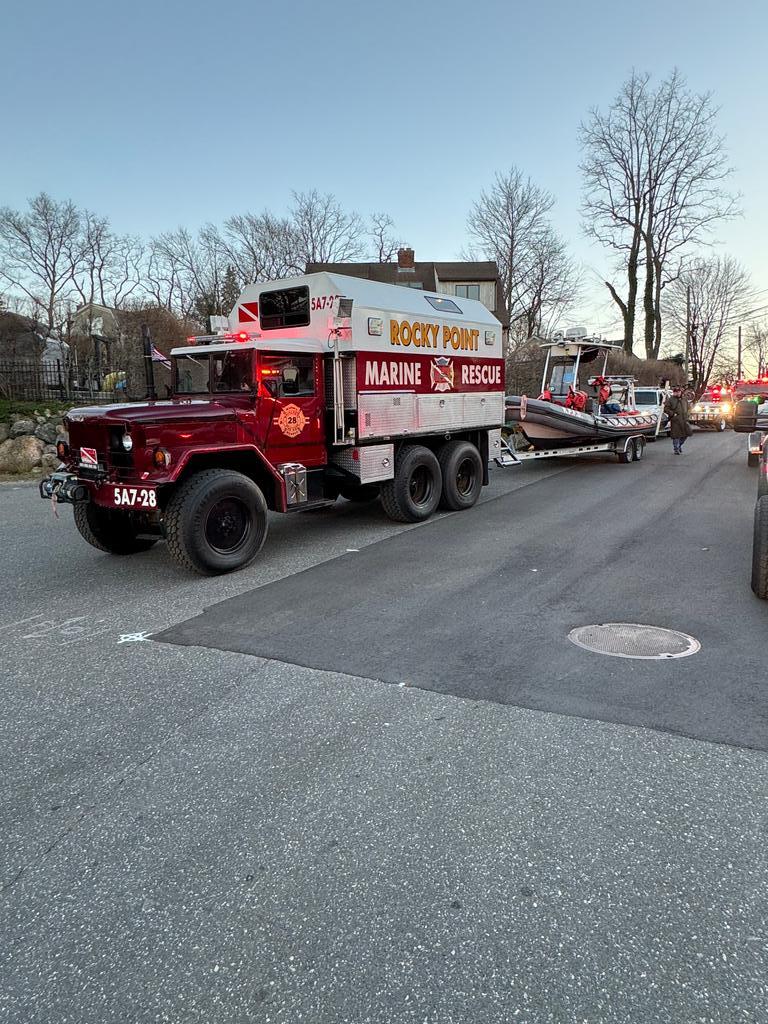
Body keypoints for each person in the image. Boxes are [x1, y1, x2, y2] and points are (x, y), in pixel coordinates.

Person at [665, 385, 692, 454]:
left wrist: (688, 414)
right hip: (675, 420)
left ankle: (679, 445)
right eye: (676, 392)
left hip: (684, 419)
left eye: (678, 391)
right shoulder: (670, 400)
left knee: (687, 433)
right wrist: (673, 414)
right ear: (674, 392)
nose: (677, 393)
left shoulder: (684, 399)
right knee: (676, 435)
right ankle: (676, 449)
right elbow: (666, 409)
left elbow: (689, 408)